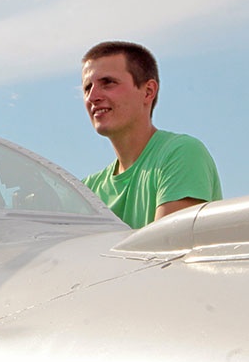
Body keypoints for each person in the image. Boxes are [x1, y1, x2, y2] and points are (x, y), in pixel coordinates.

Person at [81, 41, 222, 229]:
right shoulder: (87, 190)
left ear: (148, 92)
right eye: (87, 87)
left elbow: (167, 251)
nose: (92, 97)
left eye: (108, 83)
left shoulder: (182, 153)